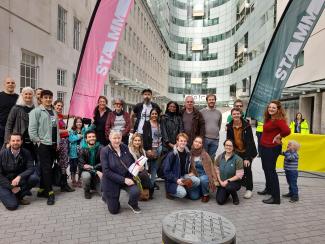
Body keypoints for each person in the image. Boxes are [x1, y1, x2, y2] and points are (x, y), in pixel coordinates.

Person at [28, 90, 59, 205]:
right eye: (45, 97)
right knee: (46, 168)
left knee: (46, 168)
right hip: (43, 145)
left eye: (50, 97)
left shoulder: (53, 112)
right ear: (40, 99)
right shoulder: (36, 111)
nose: (48, 99)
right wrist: (37, 141)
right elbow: (31, 129)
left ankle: (41, 190)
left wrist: (58, 142)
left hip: (53, 144)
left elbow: (56, 130)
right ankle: (49, 193)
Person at [258, 100, 290, 204]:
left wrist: (279, 136)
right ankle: (269, 189)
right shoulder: (269, 118)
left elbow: (287, 131)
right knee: (266, 169)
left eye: (274, 108)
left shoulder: (278, 120)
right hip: (264, 147)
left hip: (271, 148)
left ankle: (276, 198)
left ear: (278, 109)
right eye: (270, 107)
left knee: (271, 171)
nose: (271, 109)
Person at [101, 131, 141, 214]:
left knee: (136, 191)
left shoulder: (124, 147)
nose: (117, 140)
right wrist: (123, 180)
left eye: (119, 138)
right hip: (112, 181)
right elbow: (106, 171)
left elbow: (131, 162)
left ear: (121, 138)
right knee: (114, 210)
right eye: (114, 138)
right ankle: (107, 196)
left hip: (126, 177)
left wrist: (138, 168)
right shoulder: (104, 151)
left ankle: (132, 204)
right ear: (110, 138)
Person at [0, 133, 39, 210]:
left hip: (18, 181)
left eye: (18, 140)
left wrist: (19, 177)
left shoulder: (26, 153)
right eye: (13, 140)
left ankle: (19, 196)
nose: (15, 142)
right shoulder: (2, 154)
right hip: (5, 183)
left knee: (34, 178)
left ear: (21, 141)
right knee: (12, 206)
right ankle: (8, 195)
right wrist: (11, 187)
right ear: (9, 142)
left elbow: (31, 168)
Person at [226, 108, 257, 199]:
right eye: (234, 114)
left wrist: (247, 158)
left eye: (237, 114)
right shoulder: (229, 126)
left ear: (241, 114)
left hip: (247, 151)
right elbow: (229, 140)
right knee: (235, 169)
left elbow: (250, 142)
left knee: (247, 168)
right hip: (236, 151)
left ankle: (249, 189)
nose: (236, 115)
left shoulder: (247, 125)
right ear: (231, 116)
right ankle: (234, 186)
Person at [163, 133, 200, 200]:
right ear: (177, 141)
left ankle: (185, 187)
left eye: (185, 141)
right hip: (173, 179)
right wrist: (176, 180)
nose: (183, 143)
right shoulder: (172, 154)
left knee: (197, 181)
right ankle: (169, 192)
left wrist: (192, 172)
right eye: (181, 141)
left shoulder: (187, 153)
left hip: (184, 176)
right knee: (182, 194)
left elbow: (190, 165)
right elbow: (166, 172)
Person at [4, 87, 37, 161]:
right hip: (19, 140)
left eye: (30, 94)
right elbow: (9, 125)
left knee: (31, 160)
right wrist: (7, 141)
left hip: (32, 140)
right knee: (19, 161)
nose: (28, 96)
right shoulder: (16, 108)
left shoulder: (35, 109)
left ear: (32, 95)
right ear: (22, 95)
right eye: (26, 94)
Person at [188, 136, 218, 202]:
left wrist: (214, 179)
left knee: (203, 179)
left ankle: (206, 195)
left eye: (199, 142)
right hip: (195, 175)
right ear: (193, 142)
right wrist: (190, 172)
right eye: (196, 141)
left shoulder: (205, 154)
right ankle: (200, 189)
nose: (197, 143)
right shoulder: (190, 153)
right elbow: (187, 166)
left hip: (204, 175)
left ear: (201, 145)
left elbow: (211, 167)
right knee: (194, 197)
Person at [54, 100, 74, 192]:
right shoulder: (53, 117)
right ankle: (64, 184)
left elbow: (67, 116)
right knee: (63, 162)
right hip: (61, 141)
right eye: (58, 106)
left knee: (64, 162)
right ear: (54, 106)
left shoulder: (60, 116)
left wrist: (74, 115)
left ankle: (63, 182)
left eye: (61, 106)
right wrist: (68, 130)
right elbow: (56, 131)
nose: (60, 107)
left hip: (65, 141)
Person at [215, 139, 244, 205]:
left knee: (229, 187)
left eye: (230, 146)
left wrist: (227, 181)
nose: (228, 147)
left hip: (233, 183)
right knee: (220, 201)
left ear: (233, 147)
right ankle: (227, 192)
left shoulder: (238, 159)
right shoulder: (220, 157)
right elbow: (216, 170)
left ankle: (235, 197)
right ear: (224, 146)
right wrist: (220, 181)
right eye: (226, 145)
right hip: (222, 182)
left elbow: (239, 175)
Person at [128, 133, 154, 200]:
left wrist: (146, 170)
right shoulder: (129, 151)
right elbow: (129, 165)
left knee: (145, 173)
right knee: (144, 174)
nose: (137, 142)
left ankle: (146, 191)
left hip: (142, 170)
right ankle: (149, 190)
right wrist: (138, 168)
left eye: (139, 140)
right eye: (135, 140)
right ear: (132, 141)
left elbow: (145, 163)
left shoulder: (142, 150)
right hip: (132, 172)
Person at [78, 130, 103, 199]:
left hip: (98, 173)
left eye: (93, 136)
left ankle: (94, 185)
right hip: (88, 172)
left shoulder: (101, 148)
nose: (92, 138)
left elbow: (103, 162)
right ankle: (87, 190)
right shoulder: (82, 150)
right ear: (86, 139)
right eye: (89, 137)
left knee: (103, 194)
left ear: (96, 138)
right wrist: (96, 171)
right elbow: (82, 166)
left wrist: (93, 167)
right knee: (86, 176)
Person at [142, 108, 162, 189]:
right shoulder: (147, 124)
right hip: (150, 148)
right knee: (147, 167)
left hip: (159, 147)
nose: (154, 115)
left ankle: (151, 185)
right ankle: (145, 185)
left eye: (156, 114)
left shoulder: (160, 123)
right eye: (153, 114)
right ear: (150, 115)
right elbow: (145, 137)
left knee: (154, 167)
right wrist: (148, 149)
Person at [68, 117, 91, 188]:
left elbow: (88, 134)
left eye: (80, 122)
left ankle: (79, 180)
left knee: (80, 166)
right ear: (75, 123)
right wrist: (78, 136)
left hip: (82, 152)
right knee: (73, 166)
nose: (79, 123)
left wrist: (91, 121)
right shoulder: (72, 130)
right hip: (73, 152)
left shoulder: (84, 130)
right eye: (77, 122)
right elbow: (71, 139)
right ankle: (73, 179)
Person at [200, 94, 222, 159]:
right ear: (207, 101)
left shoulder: (219, 112)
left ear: (215, 101)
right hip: (205, 139)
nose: (211, 101)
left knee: (211, 158)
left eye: (213, 99)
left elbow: (219, 125)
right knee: (204, 158)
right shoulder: (202, 112)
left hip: (215, 140)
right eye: (210, 100)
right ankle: (204, 169)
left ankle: (211, 169)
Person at [0, 77, 19, 148]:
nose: (10, 84)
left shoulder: (19, 98)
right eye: (8, 83)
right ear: (4, 85)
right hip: (1, 127)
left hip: (14, 129)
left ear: (15, 85)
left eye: (12, 83)